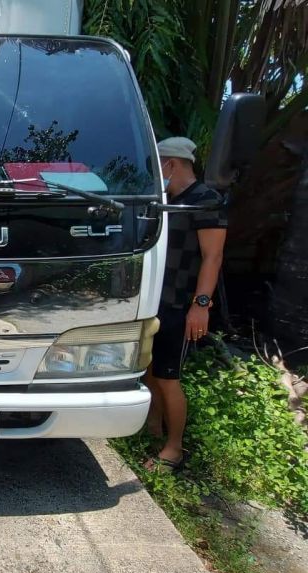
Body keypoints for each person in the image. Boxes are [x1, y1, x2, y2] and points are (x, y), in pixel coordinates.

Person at [144, 137, 227, 472]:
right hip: (155, 301)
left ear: (171, 164)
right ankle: (152, 429)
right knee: (149, 371)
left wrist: (201, 305)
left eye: (157, 164)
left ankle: (174, 449)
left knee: (168, 377)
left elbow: (213, 257)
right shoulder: (168, 199)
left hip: (181, 305)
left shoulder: (205, 200)